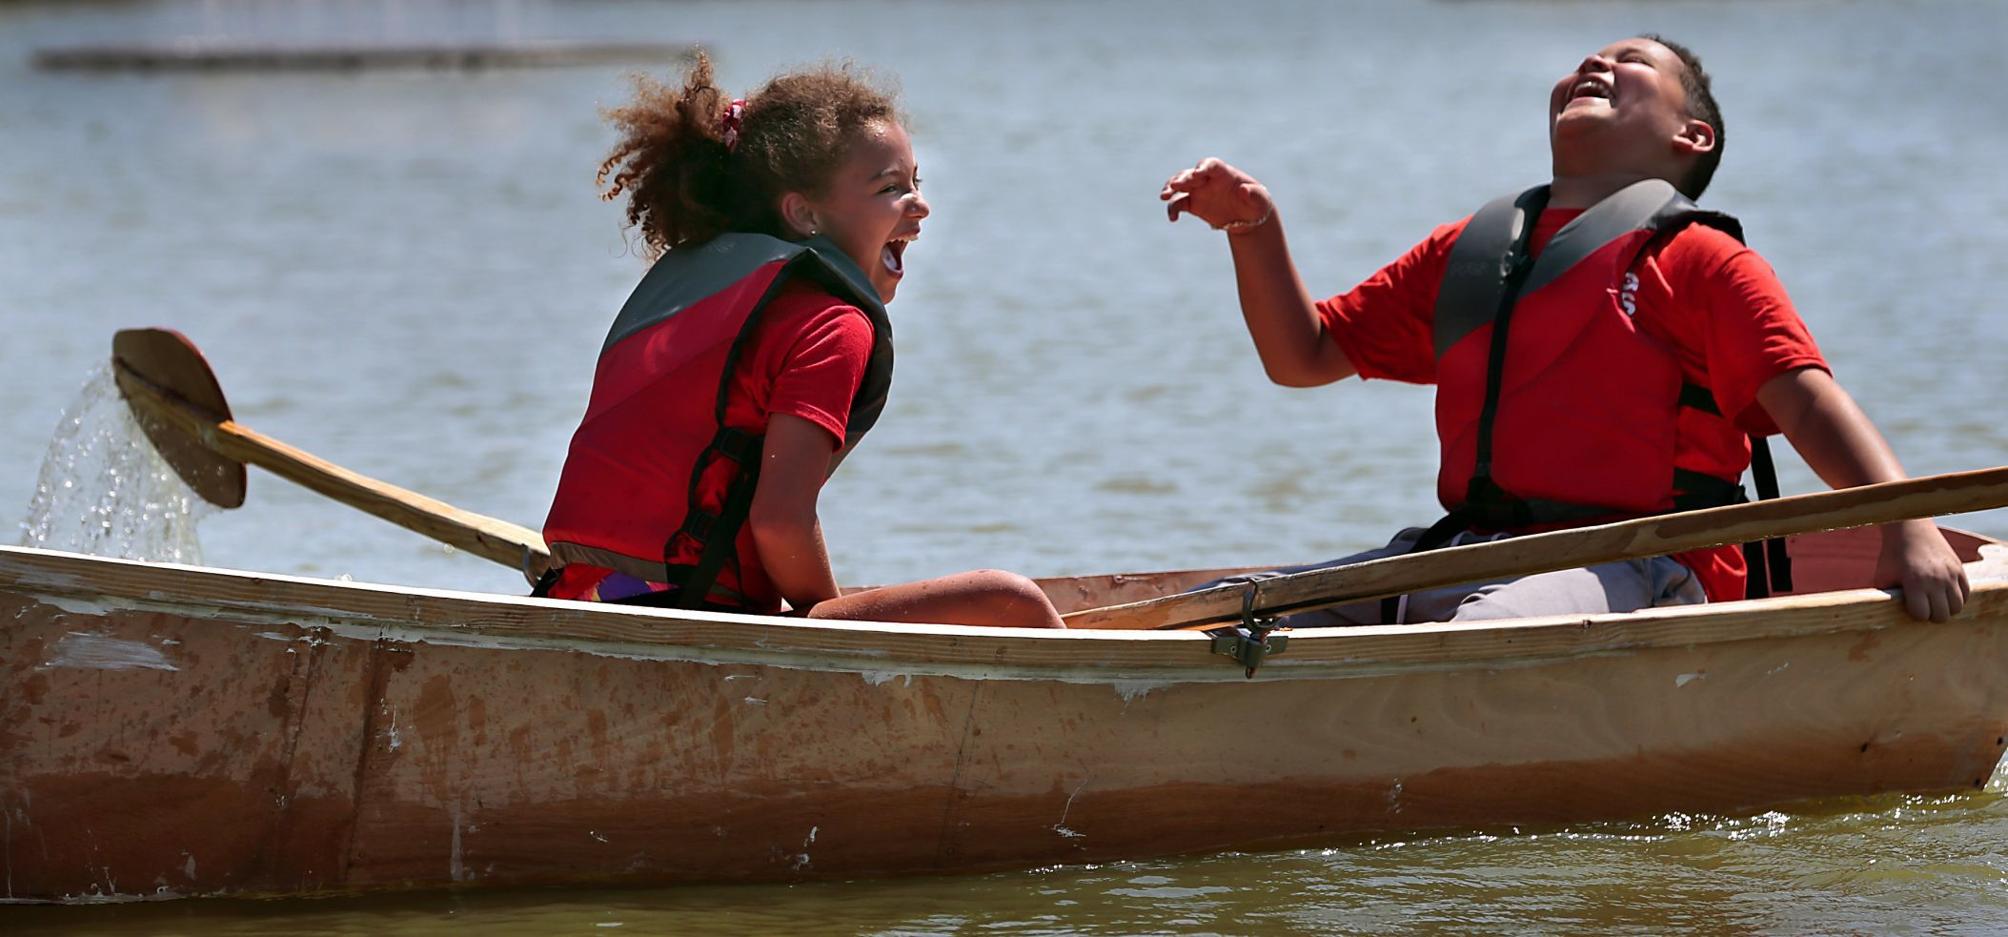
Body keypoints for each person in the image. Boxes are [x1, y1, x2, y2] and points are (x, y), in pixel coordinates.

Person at [1159, 35, 1970, 624]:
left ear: (1693, 136)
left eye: (1633, 63)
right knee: (1224, 620)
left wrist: (1909, 529)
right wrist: (1253, 230)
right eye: (1586, 59)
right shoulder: (1470, 252)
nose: (1595, 64)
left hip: (1640, 563)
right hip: (1470, 548)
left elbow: (1809, 404)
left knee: (1485, 634)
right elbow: (1303, 356)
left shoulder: (1698, 259)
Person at [538, 55, 1065, 629]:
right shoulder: (834, 323)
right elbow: (779, 523)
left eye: (916, 182)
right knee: (1013, 601)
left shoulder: (703, 287)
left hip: (587, 595)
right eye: (890, 188)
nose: (920, 203)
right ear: (805, 212)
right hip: (693, 612)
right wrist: (830, 620)